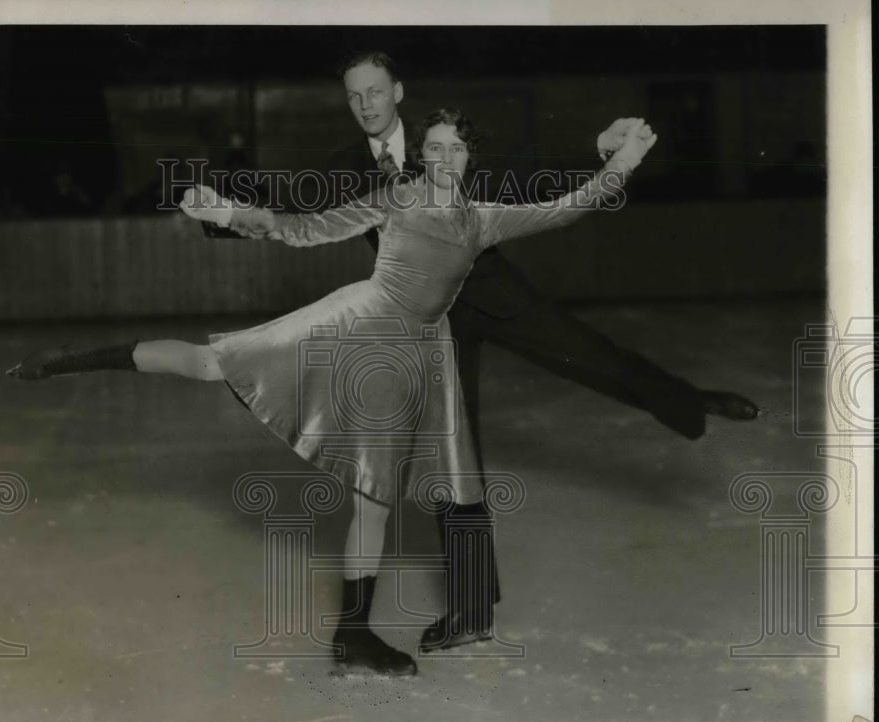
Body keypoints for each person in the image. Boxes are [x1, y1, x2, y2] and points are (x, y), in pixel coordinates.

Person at [6, 109, 657, 676]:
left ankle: (354, 634)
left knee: (377, 500)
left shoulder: (484, 220)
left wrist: (623, 162)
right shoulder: (394, 196)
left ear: (470, 157)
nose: (443, 158)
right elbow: (305, 228)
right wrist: (227, 211)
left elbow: (571, 204)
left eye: (455, 148)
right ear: (420, 156)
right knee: (212, 363)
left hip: (420, 356)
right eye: (433, 147)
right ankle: (71, 361)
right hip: (360, 328)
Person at [321, 52, 761, 653]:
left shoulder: (440, 140)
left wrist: (597, 149)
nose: (365, 104)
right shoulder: (344, 168)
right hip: (433, 324)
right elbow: (289, 206)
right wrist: (215, 209)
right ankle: (471, 612)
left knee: (591, 352)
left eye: (374, 91)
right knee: (456, 466)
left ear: (396, 91)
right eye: (354, 96)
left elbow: (526, 174)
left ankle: (690, 401)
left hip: (497, 294)